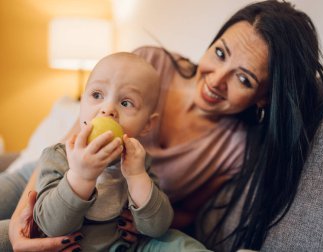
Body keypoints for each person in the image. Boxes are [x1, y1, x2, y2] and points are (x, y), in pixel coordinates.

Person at [2, 1, 323, 251]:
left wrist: (142, 222)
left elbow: (184, 214)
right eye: (219, 53)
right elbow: (65, 145)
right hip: (45, 180)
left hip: (108, 221)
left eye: (244, 78)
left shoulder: (236, 148)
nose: (217, 80)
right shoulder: (150, 65)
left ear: (264, 97)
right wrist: (23, 219)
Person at [32, 52, 210, 251]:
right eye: (97, 95)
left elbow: (157, 227)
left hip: (126, 246)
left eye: (126, 103)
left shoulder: (138, 161)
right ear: (82, 102)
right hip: (73, 246)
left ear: (146, 125)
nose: (108, 109)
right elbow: (51, 226)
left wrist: (137, 176)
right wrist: (81, 176)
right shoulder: (57, 156)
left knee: (180, 242)